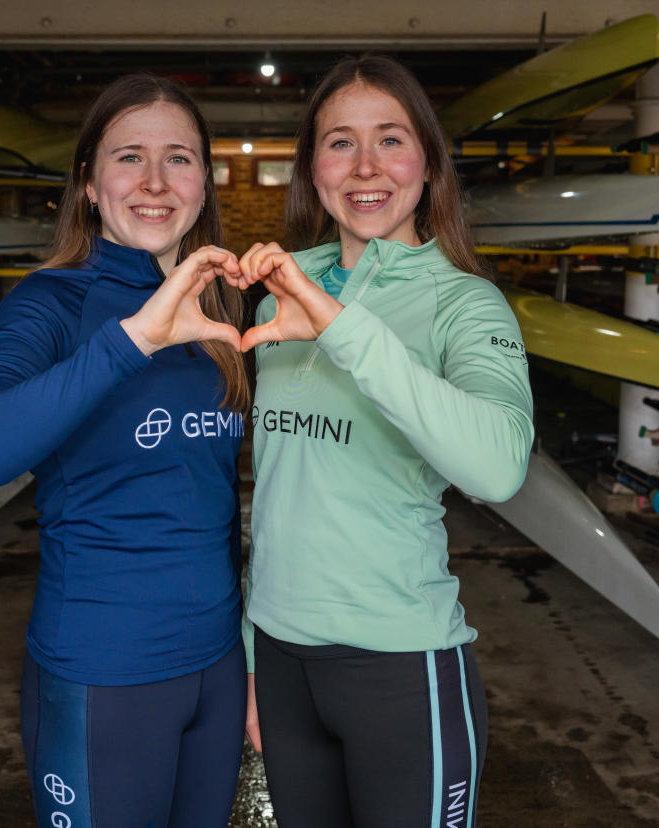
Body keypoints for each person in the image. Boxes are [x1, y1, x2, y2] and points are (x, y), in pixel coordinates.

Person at [229, 55, 535, 827]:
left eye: (390, 140)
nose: (365, 167)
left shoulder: (464, 304)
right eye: (339, 143)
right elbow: (278, 489)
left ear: (427, 163)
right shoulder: (285, 284)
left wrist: (340, 329)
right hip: (282, 661)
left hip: (401, 669)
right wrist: (253, 655)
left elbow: (497, 468)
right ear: (311, 168)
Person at [0, 74, 250, 828]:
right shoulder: (51, 304)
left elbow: (217, 501)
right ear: (86, 182)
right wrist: (133, 339)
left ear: (203, 182)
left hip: (215, 671)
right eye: (127, 158)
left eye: (178, 158)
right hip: (102, 674)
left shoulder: (222, 311)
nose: (153, 182)